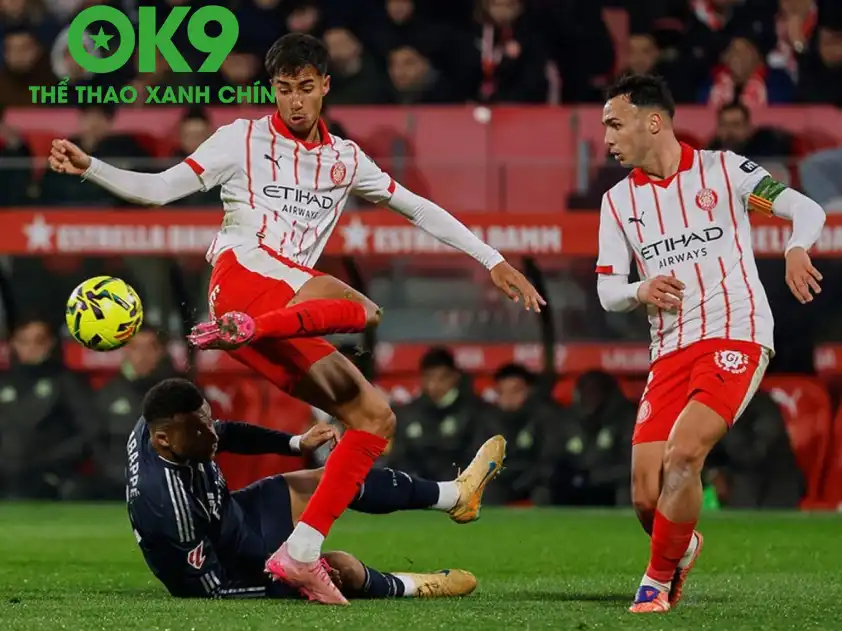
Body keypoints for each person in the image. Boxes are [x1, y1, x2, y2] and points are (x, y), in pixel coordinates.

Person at [47, 33, 542, 605]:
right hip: (241, 278)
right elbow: (159, 190)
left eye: (306, 88)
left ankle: (414, 512)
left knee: (373, 419)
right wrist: (91, 167)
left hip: (282, 312)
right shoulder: (241, 139)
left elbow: (416, 207)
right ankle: (254, 338)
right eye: (284, 89)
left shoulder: (345, 159)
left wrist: (492, 259)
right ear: (273, 90)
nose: (295, 101)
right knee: (362, 308)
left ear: (325, 85)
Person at [596, 73, 826, 614]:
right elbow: (608, 291)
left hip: (735, 333)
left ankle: (655, 584)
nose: (607, 138)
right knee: (646, 496)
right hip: (669, 349)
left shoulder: (725, 170)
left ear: (653, 122)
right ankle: (682, 545)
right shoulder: (617, 201)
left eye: (615, 124)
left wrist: (796, 247)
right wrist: (640, 289)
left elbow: (807, 209)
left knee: (684, 454)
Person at [129, 378, 505, 601]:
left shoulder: (163, 422)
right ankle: (413, 585)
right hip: (231, 560)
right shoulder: (166, 507)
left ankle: (456, 496)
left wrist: (296, 443)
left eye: (208, 420)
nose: (211, 434)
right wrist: (291, 586)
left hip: (234, 513)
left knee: (329, 479)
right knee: (339, 567)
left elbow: (225, 433)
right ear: (163, 441)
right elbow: (208, 589)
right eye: (200, 431)